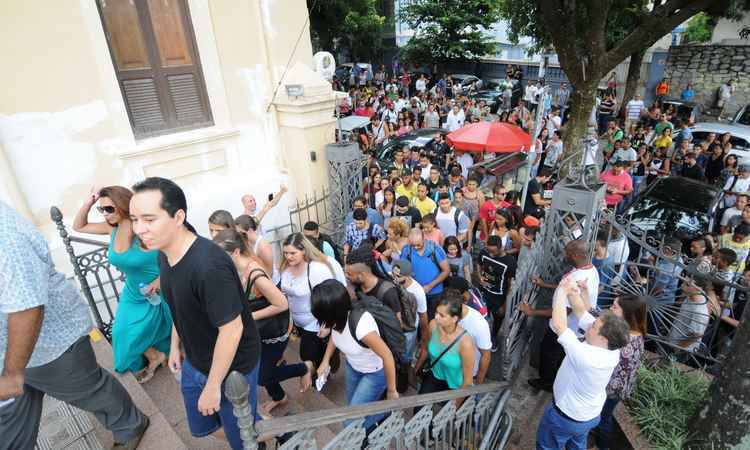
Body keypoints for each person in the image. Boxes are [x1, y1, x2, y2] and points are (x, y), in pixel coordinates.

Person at [0, 201, 149, 450]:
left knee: (91, 390)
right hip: (10, 352)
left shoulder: (5, 236)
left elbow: (27, 306)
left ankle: (130, 426)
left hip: (51, 344)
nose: (106, 213)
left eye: (109, 208)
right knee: (9, 425)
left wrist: (13, 374)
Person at [130, 177, 261, 450]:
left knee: (244, 438)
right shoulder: (163, 254)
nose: (139, 229)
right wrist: (176, 345)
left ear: (178, 217)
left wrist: (214, 386)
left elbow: (232, 329)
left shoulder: (208, 265)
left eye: (149, 219)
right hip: (195, 361)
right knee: (204, 428)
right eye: (134, 219)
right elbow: (180, 304)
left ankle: (272, 433)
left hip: (231, 371)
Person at [73, 185, 172, 382]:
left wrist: (158, 282)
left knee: (153, 327)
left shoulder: (144, 229)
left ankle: (163, 353)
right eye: (101, 209)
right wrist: (89, 203)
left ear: (123, 205)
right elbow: (79, 226)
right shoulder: (112, 228)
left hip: (158, 287)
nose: (104, 214)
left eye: (109, 208)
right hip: (133, 291)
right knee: (122, 332)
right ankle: (155, 356)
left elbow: (173, 258)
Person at [213, 229, 312, 417]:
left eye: (221, 255)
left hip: (275, 331)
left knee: (263, 375)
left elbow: (281, 304)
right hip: (259, 331)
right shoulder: (235, 269)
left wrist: (250, 318)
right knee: (264, 369)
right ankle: (278, 396)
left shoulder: (255, 273)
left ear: (235, 252)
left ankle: (304, 367)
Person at [535, 278, 630, 450]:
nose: (590, 325)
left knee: (547, 446)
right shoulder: (612, 348)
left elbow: (559, 325)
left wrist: (562, 292)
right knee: (577, 444)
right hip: (589, 416)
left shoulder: (586, 356)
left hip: (565, 417)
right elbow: (581, 313)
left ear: (603, 338)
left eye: (594, 326)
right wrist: (573, 292)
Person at [312, 279, 399, 430]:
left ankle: (384, 411)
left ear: (333, 313)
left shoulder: (361, 327)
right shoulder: (335, 322)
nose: (320, 322)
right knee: (351, 408)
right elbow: (336, 336)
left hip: (374, 373)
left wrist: (392, 391)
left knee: (349, 422)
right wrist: (325, 360)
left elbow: (387, 356)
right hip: (353, 367)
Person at [522, 241, 600, 392]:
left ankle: (547, 383)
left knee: (548, 353)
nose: (565, 256)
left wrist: (532, 312)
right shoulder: (590, 270)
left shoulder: (577, 278)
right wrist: (545, 285)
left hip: (564, 327)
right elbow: (564, 286)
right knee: (556, 354)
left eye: (568, 253)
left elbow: (563, 311)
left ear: (576, 255)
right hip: (574, 327)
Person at [279, 233, 346, 371]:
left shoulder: (317, 269)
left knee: (306, 354)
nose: (288, 257)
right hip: (297, 322)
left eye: (293, 253)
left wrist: (328, 324)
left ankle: (325, 365)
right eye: (285, 253)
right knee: (315, 352)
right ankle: (323, 365)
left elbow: (330, 299)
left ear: (304, 250)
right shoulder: (285, 267)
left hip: (314, 321)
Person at [593, 296, 646, 450]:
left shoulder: (625, 340)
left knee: (603, 419)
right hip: (618, 387)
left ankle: (604, 446)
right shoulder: (634, 332)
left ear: (627, 314)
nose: (611, 308)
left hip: (612, 389)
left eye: (615, 307)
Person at [414, 295, 475, 398]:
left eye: (442, 315)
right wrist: (416, 368)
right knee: (419, 410)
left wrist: (457, 405)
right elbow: (425, 348)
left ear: (454, 319)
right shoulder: (433, 325)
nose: (436, 317)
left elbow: (468, 380)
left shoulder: (465, 343)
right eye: (436, 312)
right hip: (434, 375)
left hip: (455, 386)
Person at [477, 235, 517, 352]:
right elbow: (479, 264)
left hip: (498, 297)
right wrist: (480, 277)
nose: (491, 254)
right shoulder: (484, 252)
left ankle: (493, 337)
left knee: (497, 319)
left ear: (501, 247)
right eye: (489, 251)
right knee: (482, 318)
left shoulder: (510, 262)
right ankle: (481, 338)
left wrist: (505, 304)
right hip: (483, 293)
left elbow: (511, 285)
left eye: (493, 252)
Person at [402, 228, 450, 320]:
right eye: (413, 245)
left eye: (418, 245)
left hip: (434, 293)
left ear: (424, 238)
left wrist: (430, 286)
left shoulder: (434, 249)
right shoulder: (406, 250)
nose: (415, 247)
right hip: (415, 293)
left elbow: (446, 271)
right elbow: (403, 271)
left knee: (434, 320)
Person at [391, 260, 429, 363]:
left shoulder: (418, 291)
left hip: (408, 331)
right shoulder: (392, 280)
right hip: (393, 327)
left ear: (408, 276)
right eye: (393, 274)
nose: (395, 278)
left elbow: (423, 316)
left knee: (405, 356)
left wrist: (424, 338)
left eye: (398, 276)